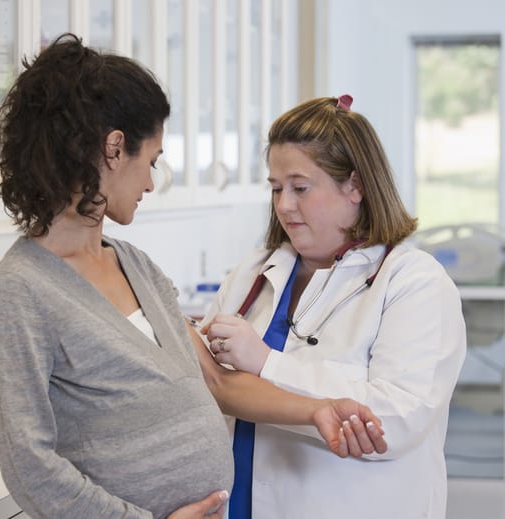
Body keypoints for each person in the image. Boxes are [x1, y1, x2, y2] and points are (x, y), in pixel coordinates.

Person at [0, 35, 386, 519]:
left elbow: (214, 379)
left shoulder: (135, 265)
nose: (152, 181)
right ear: (113, 149)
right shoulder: (20, 288)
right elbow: (28, 466)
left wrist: (316, 408)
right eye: (150, 161)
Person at [199, 95, 467, 519]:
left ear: (355, 186)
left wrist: (267, 363)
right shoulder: (252, 273)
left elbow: (395, 419)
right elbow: (203, 384)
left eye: (300, 188)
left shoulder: (414, 282)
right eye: (275, 188)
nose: (284, 205)